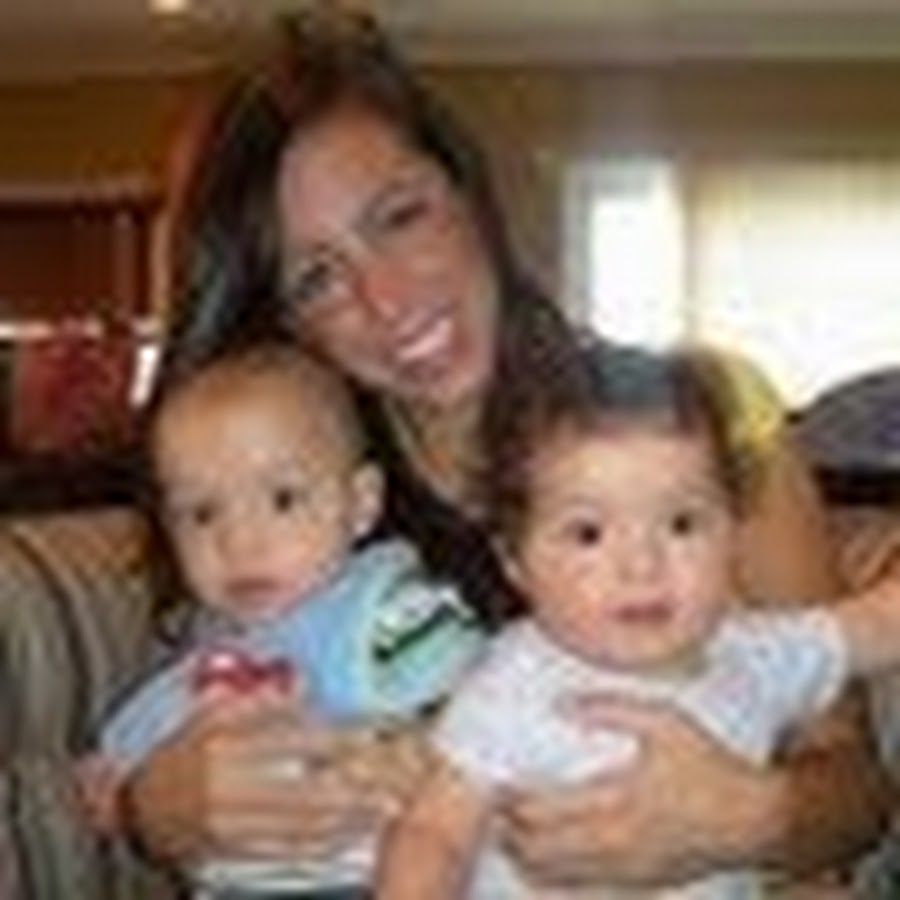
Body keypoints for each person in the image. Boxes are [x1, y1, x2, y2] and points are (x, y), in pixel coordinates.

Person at [122, 5, 887, 892]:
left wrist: (746, 819)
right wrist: (154, 807)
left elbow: (857, 793)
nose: (387, 299)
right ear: (287, 322)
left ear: (470, 198)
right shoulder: (297, 502)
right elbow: (206, 701)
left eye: (400, 216)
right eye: (318, 276)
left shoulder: (693, 429)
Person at [378, 343, 859, 899]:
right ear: (515, 562)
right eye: (588, 534)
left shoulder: (759, 652)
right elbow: (435, 835)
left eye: (681, 524)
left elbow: (872, 628)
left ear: (732, 532)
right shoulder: (516, 683)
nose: (642, 566)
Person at [85, 339, 483, 898]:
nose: (240, 542)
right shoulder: (218, 645)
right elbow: (158, 725)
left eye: (283, 500)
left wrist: (423, 750)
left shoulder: (384, 611)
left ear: (361, 504)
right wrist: (117, 778)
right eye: (202, 513)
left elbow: (489, 709)